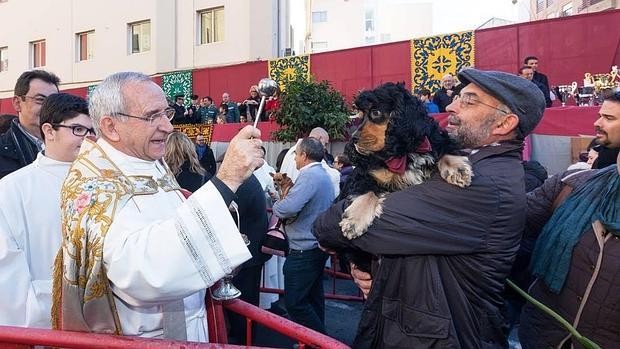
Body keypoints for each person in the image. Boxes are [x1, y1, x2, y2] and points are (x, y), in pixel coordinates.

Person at [313, 68, 546, 348]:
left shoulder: (481, 185)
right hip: (409, 325)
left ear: (504, 124)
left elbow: (339, 225)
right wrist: (359, 263)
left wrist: (330, 229)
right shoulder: (458, 160)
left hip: (440, 338)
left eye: (469, 101)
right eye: (458, 97)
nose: (451, 105)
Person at [52, 72, 264, 341]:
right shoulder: (95, 187)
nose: (167, 126)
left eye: (167, 113)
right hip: (141, 338)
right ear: (111, 126)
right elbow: (145, 273)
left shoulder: (147, 162)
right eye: (152, 116)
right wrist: (228, 178)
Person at [519, 88, 620, 349]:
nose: (597, 123)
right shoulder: (574, 182)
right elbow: (510, 214)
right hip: (545, 336)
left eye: (609, 118)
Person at [0, 93, 93, 328]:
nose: (88, 139)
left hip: (102, 319)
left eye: (92, 132)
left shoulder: (107, 184)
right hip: (41, 322)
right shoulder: (13, 188)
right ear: (49, 131)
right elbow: (8, 269)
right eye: (78, 130)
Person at [272, 137, 336, 334]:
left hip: (303, 249)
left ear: (304, 156)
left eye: (295, 154)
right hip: (314, 246)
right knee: (313, 298)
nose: (294, 158)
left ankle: (321, 343)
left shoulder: (309, 176)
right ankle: (316, 341)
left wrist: (276, 205)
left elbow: (287, 208)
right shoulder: (321, 174)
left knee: (296, 303)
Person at [225, 174, 270, 344]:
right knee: (248, 299)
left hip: (248, 252)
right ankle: (245, 336)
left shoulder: (244, 183)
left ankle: (244, 339)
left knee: (243, 301)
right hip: (251, 250)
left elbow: (229, 211)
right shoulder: (249, 180)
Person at [0, 70, 60, 179]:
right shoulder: (3, 151)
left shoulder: (68, 145)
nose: (48, 108)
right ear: (17, 103)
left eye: (53, 102)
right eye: (40, 100)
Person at [279, 127, 341, 197]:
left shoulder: (290, 152)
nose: (325, 147)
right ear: (319, 139)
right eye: (325, 144)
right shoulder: (312, 156)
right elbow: (332, 176)